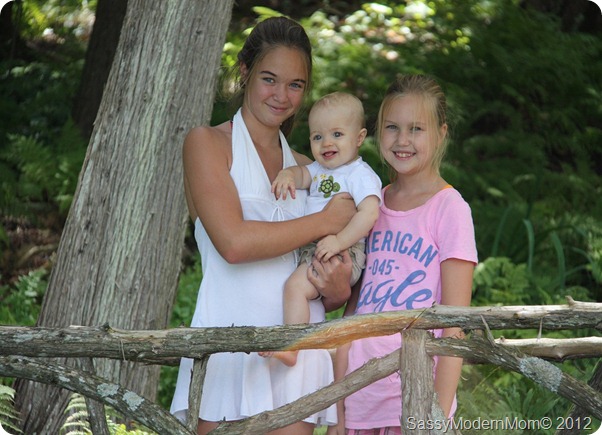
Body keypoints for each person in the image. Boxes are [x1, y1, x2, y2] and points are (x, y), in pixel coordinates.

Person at [169, 17, 356, 435]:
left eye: (295, 85)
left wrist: (338, 286)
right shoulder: (207, 144)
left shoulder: (310, 169)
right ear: (245, 71)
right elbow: (233, 243)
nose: (281, 95)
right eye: (270, 79)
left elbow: (328, 282)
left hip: (297, 353)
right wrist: (323, 221)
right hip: (227, 346)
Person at [327, 74, 478, 435]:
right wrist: (338, 410)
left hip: (414, 399)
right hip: (360, 395)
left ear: (441, 133)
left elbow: (454, 325)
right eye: (392, 127)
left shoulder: (450, 209)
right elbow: (353, 312)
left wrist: (436, 416)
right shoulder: (371, 205)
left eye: (416, 129)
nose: (403, 140)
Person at [261, 92, 381, 367]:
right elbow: (301, 174)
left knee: (294, 287)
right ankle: (293, 343)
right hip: (319, 248)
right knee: (295, 288)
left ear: (359, 138)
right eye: (318, 136)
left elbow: (369, 214)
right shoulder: (318, 169)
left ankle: (292, 347)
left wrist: (339, 241)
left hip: (344, 251)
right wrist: (287, 174)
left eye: (337, 134)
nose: (326, 142)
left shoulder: (359, 174)